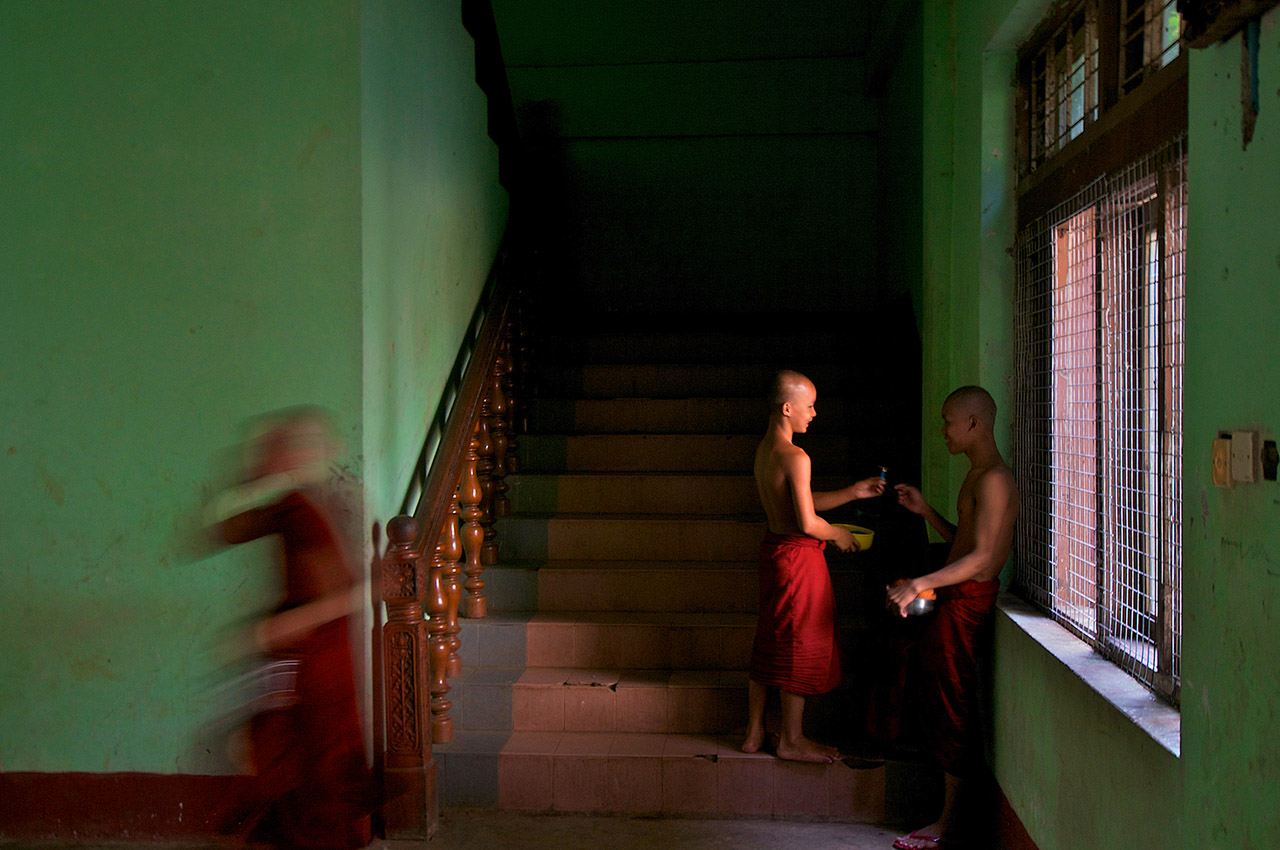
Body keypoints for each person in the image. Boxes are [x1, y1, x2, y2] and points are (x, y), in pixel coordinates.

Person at [210, 408, 374, 850]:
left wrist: (273, 630)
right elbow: (219, 531)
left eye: (275, 449)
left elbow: (338, 596)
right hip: (309, 659)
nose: (265, 456)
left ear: (297, 454)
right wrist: (250, 480)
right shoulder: (299, 504)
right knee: (288, 771)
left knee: (300, 773)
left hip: (311, 662)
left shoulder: (309, 511)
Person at [885, 386, 1019, 850]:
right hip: (955, 595)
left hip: (968, 600)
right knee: (932, 690)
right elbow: (964, 540)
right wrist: (928, 514)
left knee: (952, 706)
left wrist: (924, 583)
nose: (942, 429)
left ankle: (947, 826)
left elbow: (982, 559)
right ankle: (943, 817)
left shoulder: (994, 480)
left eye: (948, 420)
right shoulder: (975, 475)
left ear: (975, 425)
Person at [742, 370, 885, 763]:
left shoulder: (766, 449)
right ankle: (791, 739)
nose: (815, 413)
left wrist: (852, 492)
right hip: (797, 559)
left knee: (771, 634)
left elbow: (797, 502)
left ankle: (755, 731)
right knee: (798, 641)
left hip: (774, 551)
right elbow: (807, 523)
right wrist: (838, 534)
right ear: (788, 408)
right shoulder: (797, 456)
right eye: (809, 406)